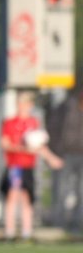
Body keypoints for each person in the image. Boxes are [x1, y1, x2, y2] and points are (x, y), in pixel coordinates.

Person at [0, 92, 64, 242]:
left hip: (28, 165)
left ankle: (26, 233)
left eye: (26, 104)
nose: (23, 107)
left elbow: (40, 146)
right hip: (15, 166)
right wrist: (23, 148)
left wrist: (51, 159)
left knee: (27, 198)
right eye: (20, 104)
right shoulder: (10, 122)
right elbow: (5, 144)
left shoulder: (33, 123)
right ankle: (9, 232)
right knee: (12, 196)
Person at [45, 90, 83, 231]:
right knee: (61, 189)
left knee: (81, 190)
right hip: (64, 154)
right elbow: (53, 129)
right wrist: (56, 153)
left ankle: (79, 223)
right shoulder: (66, 108)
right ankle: (58, 223)